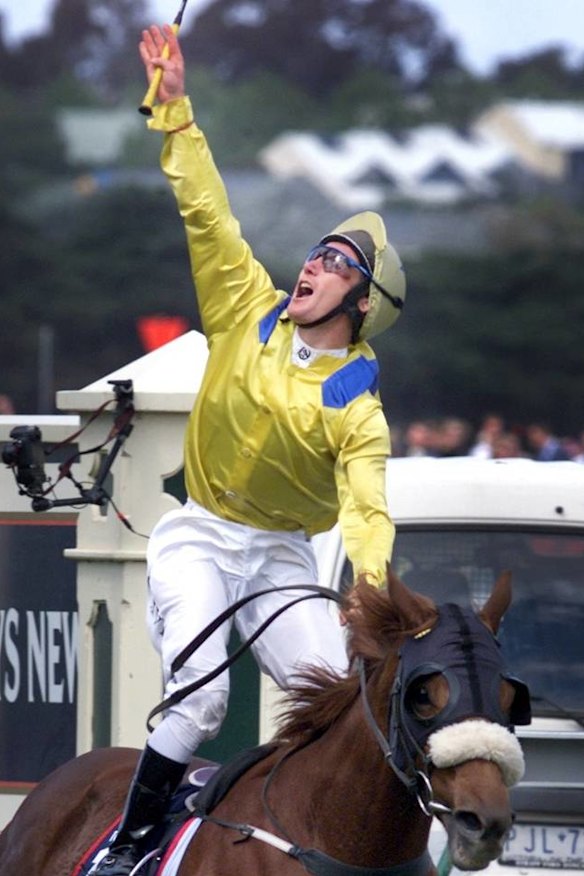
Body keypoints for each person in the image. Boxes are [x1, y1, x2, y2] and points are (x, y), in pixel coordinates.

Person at [94, 23, 406, 875]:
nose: (314, 262)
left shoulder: (357, 403)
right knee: (200, 709)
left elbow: (367, 510)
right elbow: (205, 204)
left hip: (279, 559)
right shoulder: (245, 303)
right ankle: (130, 843)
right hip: (199, 534)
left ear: (362, 303)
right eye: (320, 250)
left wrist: (370, 597)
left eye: (338, 261)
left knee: (351, 705)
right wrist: (174, 109)